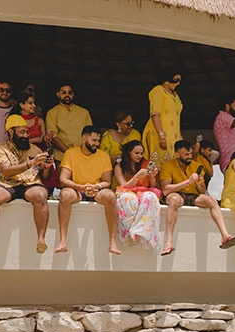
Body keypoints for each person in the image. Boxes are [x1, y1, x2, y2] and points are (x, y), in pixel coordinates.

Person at [0, 115, 52, 252]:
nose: (26, 135)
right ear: (11, 132)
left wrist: (47, 166)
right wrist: (31, 162)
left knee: (41, 195)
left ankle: (41, 239)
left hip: (31, 183)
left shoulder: (35, 150)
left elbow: (45, 176)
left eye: (27, 132)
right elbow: (6, 171)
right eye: (22, 132)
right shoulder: (0, 149)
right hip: (9, 183)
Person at [159, 140, 235, 256]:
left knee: (211, 200)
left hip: (192, 196)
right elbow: (166, 189)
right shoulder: (168, 165)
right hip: (176, 194)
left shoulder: (197, 166)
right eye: (186, 154)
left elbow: (202, 190)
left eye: (190, 154)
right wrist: (188, 182)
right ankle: (168, 242)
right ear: (177, 154)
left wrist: (198, 184)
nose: (190, 157)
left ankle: (225, 235)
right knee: (174, 199)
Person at [56, 125, 120, 255]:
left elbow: (107, 181)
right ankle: (63, 241)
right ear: (84, 138)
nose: (97, 144)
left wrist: (96, 187)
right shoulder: (70, 153)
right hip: (77, 190)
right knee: (65, 195)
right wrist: (80, 187)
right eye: (94, 140)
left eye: (98, 141)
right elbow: (63, 179)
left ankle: (112, 242)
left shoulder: (103, 156)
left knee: (111, 196)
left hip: (97, 191)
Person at [114, 140, 161, 253]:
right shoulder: (119, 167)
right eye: (136, 153)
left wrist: (152, 177)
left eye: (141, 153)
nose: (140, 156)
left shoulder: (145, 165)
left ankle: (139, 230)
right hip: (128, 193)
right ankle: (130, 231)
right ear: (128, 153)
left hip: (143, 192)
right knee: (128, 198)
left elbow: (153, 186)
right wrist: (136, 177)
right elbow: (123, 187)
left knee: (150, 196)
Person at [142, 69, 183, 165]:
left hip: (173, 136)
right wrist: (161, 135)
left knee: (172, 165)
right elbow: (155, 114)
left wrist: (180, 136)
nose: (177, 83)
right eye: (176, 79)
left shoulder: (175, 95)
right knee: (157, 166)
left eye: (179, 81)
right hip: (159, 134)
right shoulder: (158, 91)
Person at [45, 84, 92, 163]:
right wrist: (70, 153)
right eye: (64, 92)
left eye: (70, 93)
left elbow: (90, 134)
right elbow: (54, 137)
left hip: (83, 156)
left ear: (73, 95)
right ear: (58, 94)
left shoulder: (84, 112)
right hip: (62, 157)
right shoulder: (52, 113)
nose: (67, 95)